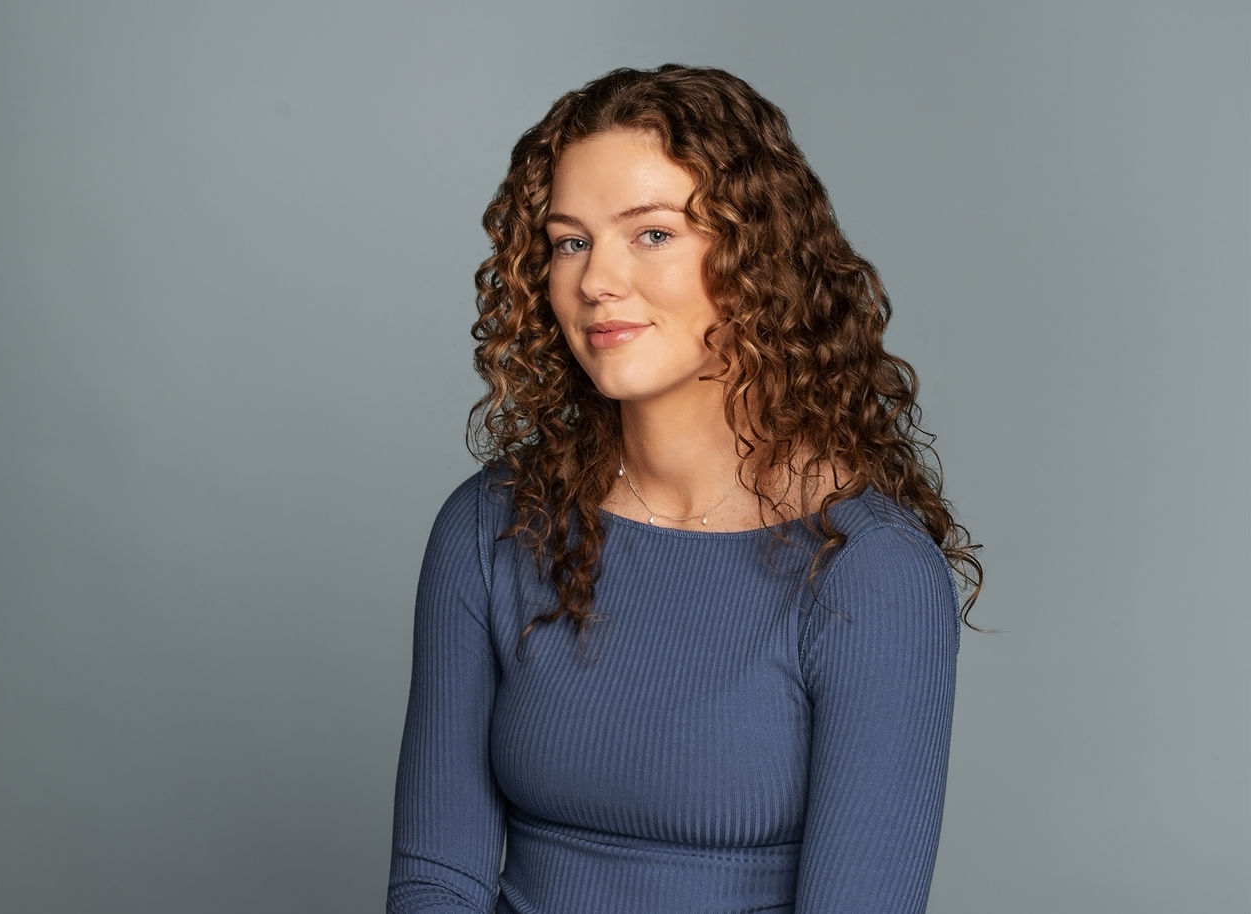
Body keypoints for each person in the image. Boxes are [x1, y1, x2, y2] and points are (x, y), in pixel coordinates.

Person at [387, 64, 982, 914]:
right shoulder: (490, 527)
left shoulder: (869, 573)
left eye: (653, 233)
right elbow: (435, 880)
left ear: (755, 260)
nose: (597, 280)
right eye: (569, 240)